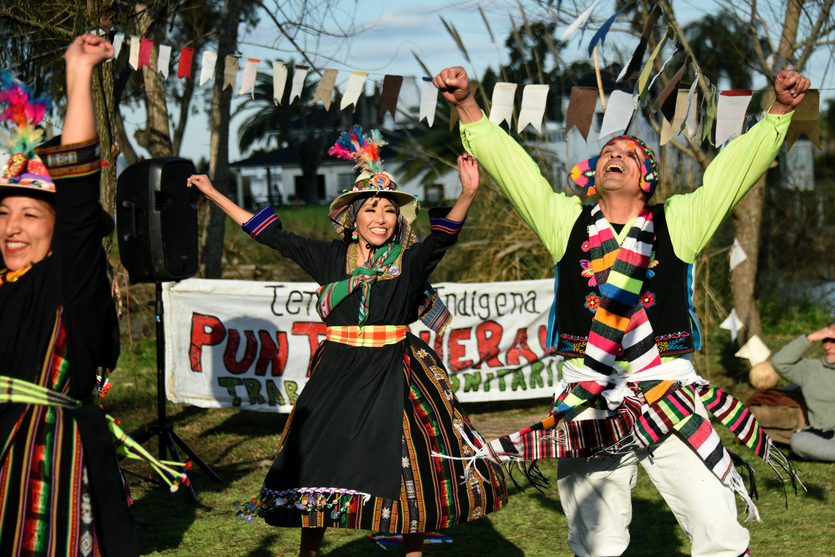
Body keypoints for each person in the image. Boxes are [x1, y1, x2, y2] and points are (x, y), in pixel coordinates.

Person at [433, 66, 810, 557]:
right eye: (607, 151)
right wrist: (466, 106)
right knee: (597, 539)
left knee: (717, 527)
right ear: (594, 175)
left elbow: (730, 174)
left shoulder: (678, 220)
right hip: (588, 392)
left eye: (627, 154)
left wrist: (778, 112)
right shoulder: (564, 220)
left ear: (646, 177)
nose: (614, 154)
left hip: (668, 388)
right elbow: (516, 171)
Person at [187, 128, 506, 557]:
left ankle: (412, 551)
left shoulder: (409, 262)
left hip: (395, 368)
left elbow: (442, 238)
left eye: (389, 211)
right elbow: (270, 235)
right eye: (371, 209)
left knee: (407, 464)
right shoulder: (331, 259)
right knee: (316, 461)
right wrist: (212, 193)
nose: (380, 218)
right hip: (336, 370)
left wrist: (466, 193)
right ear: (350, 219)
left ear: (399, 220)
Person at [0, 35, 140, 556]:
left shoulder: (68, 283)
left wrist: (77, 75)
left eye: (30, 214)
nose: (13, 228)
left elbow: (80, 202)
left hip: (43, 460)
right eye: (3, 213)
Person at [769, 322, 835, 461]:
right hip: (827, 438)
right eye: (824, 340)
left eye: (833, 340)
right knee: (798, 441)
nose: (827, 346)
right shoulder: (810, 369)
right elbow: (779, 362)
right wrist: (810, 338)